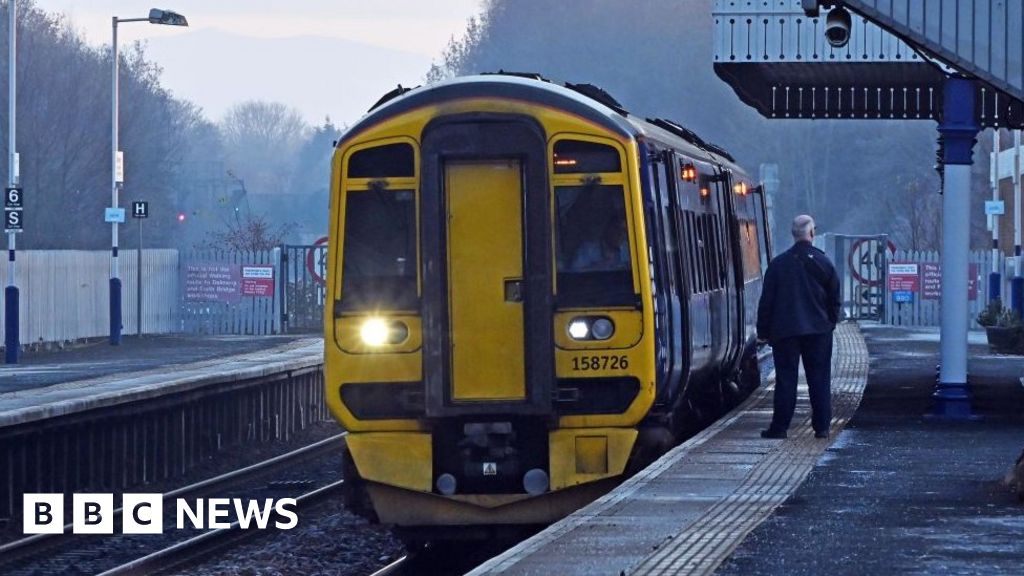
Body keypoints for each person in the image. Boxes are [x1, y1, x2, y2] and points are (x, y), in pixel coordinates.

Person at [756, 214, 840, 440]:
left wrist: (763, 332)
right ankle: (822, 428)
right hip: (818, 332)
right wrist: (830, 323)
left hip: (785, 332)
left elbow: (767, 302)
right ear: (811, 233)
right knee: (819, 379)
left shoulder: (778, 265)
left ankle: (780, 427)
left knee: (786, 380)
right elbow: (835, 299)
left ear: (793, 234)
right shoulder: (824, 263)